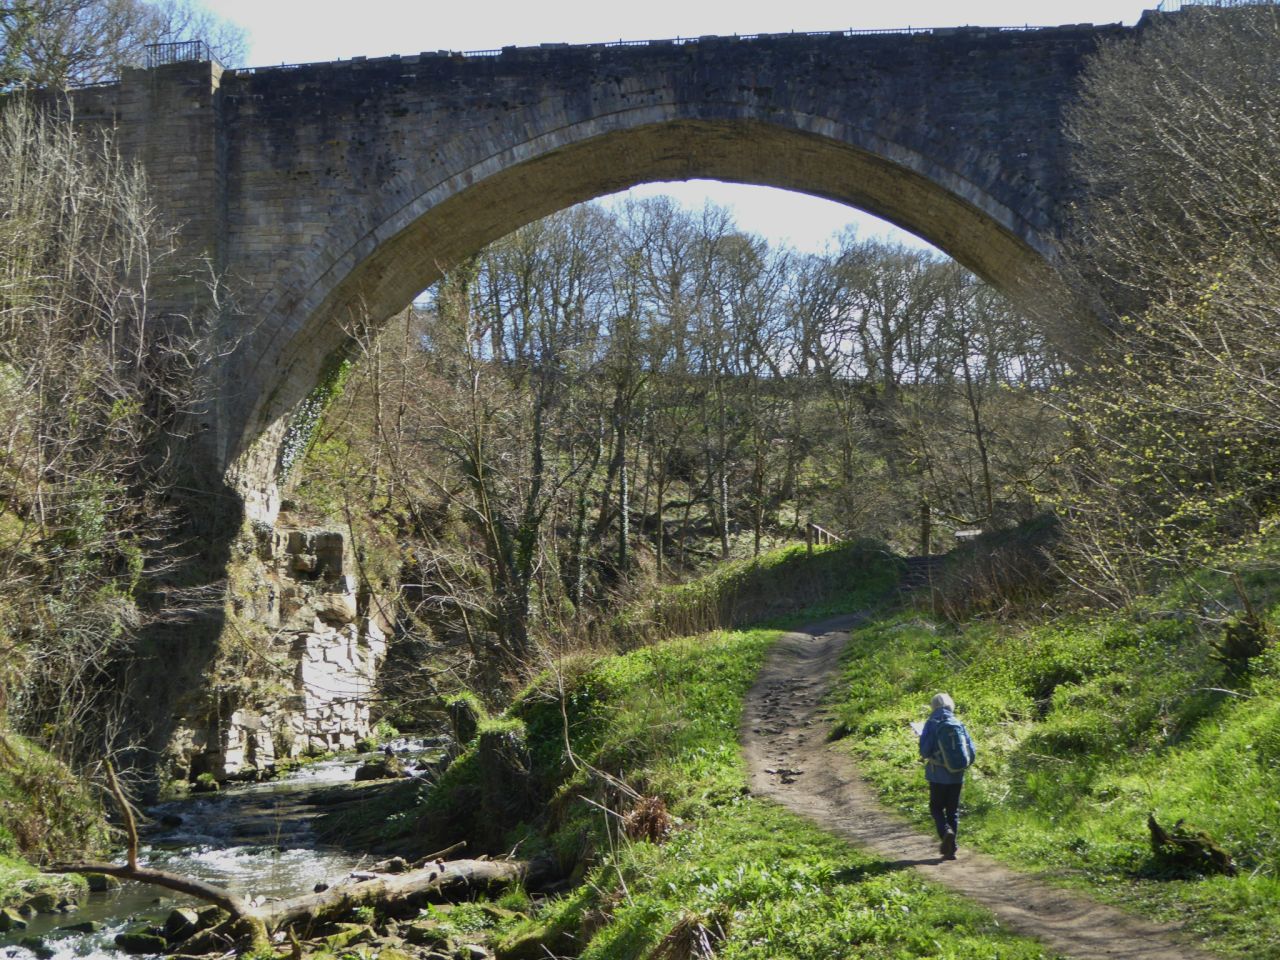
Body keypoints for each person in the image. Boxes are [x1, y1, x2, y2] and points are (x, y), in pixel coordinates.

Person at [917, 692, 975, 860]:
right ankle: (951, 850)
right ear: (951, 705)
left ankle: (945, 833)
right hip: (957, 774)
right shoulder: (957, 722)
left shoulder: (931, 723)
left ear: (933, 706)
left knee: (936, 808)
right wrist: (961, 765)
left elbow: (925, 751)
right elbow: (971, 751)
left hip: (937, 775)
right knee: (952, 811)